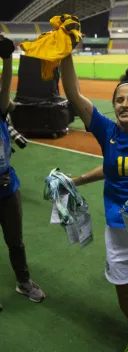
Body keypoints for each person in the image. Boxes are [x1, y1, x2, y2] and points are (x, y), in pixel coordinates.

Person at [60, 54, 128, 352]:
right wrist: (66, 52)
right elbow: (73, 94)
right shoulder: (108, 132)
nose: (125, 104)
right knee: (123, 287)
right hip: (118, 228)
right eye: (120, 99)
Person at [0, 35, 45, 307]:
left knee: (15, 241)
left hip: (6, 188)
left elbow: (5, 90)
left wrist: (7, 59)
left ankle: (23, 282)